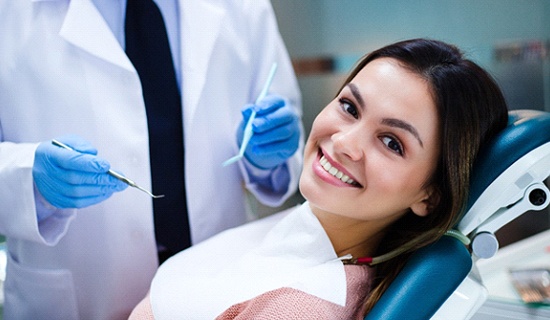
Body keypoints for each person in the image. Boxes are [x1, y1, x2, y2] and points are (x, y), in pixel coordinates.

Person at [128, 38, 509, 319]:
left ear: (431, 197)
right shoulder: (305, 230)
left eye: (392, 142)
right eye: (349, 107)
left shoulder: (300, 307)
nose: (344, 143)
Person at [0, 0, 302, 319]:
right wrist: (28, 178)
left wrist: (268, 157)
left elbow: (282, 111)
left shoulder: (243, 8)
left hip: (220, 283)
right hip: (78, 296)